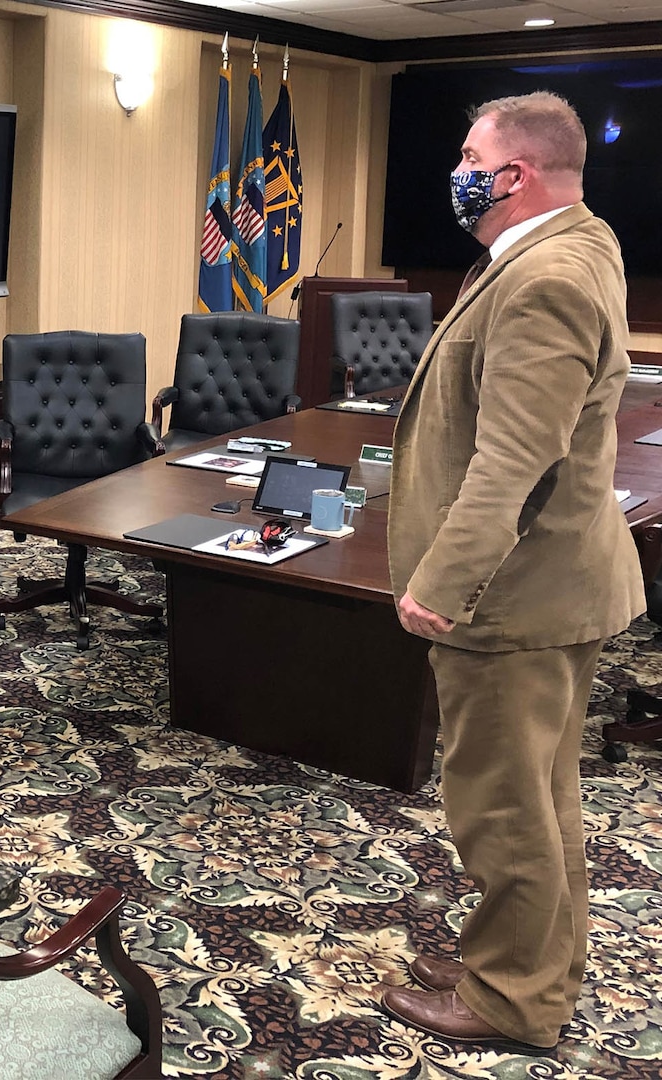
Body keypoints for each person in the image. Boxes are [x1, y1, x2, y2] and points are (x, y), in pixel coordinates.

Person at [383, 91, 644, 1054]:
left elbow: (514, 460)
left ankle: (512, 1000)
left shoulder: (546, 277)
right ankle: (527, 961)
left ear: (514, 174)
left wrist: (440, 586)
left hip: (511, 599)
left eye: (467, 155)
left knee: (503, 809)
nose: (456, 171)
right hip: (549, 588)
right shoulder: (574, 245)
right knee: (543, 795)